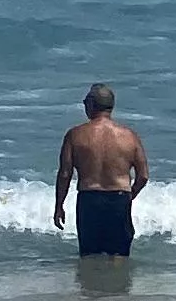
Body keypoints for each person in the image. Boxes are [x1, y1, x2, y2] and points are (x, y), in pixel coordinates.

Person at [54, 82, 148, 259]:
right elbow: (143, 176)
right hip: (119, 199)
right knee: (119, 258)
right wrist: (129, 196)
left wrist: (59, 205)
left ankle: (91, 287)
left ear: (91, 104)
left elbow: (65, 174)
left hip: (89, 200)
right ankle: (118, 286)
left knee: (89, 257)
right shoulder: (129, 136)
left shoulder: (75, 134)